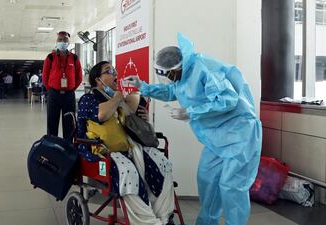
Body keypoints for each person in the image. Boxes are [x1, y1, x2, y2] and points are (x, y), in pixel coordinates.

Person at [125, 33, 262, 225]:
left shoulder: (205, 70)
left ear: (177, 68)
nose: (170, 79)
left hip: (239, 134)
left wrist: (191, 112)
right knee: (207, 180)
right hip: (215, 139)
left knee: (231, 187)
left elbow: (227, 100)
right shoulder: (183, 75)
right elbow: (173, 90)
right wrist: (143, 87)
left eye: (169, 75)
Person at [77, 61, 175, 225]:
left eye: (115, 70)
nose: (115, 74)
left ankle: (164, 216)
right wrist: (117, 99)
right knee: (128, 172)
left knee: (162, 163)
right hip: (102, 150)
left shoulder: (118, 98)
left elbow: (133, 118)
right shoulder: (88, 99)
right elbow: (101, 115)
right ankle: (147, 221)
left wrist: (141, 117)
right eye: (109, 71)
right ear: (97, 80)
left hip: (128, 146)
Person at [42, 31, 83, 139]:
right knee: (52, 122)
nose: (62, 42)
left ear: (69, 42)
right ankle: (52, 147)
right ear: (56, 42)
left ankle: (68, 149)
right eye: (60, 40)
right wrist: (51, 90)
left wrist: (71, 89)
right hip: (53, 94)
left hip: (69, 95)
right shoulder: (50, 57)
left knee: (69, 123)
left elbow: (79, 76)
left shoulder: (74, 58)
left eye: (65, 40)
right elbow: (45, 77)